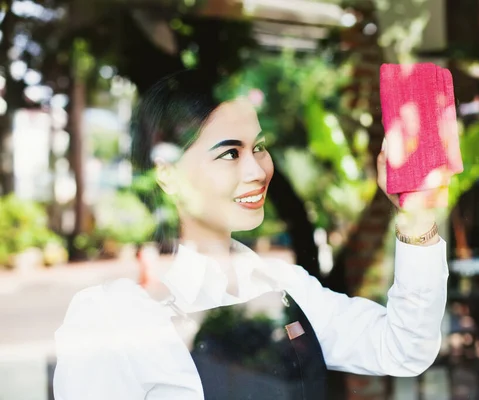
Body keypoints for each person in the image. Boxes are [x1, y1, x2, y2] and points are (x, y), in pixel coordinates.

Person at [52, 70, 449, 400]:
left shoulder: (285, 288)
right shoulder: (114, 317)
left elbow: (404, 349)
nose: (257, 171)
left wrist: (416, 217)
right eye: (229, 153)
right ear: (167, 174)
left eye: (258, 147)